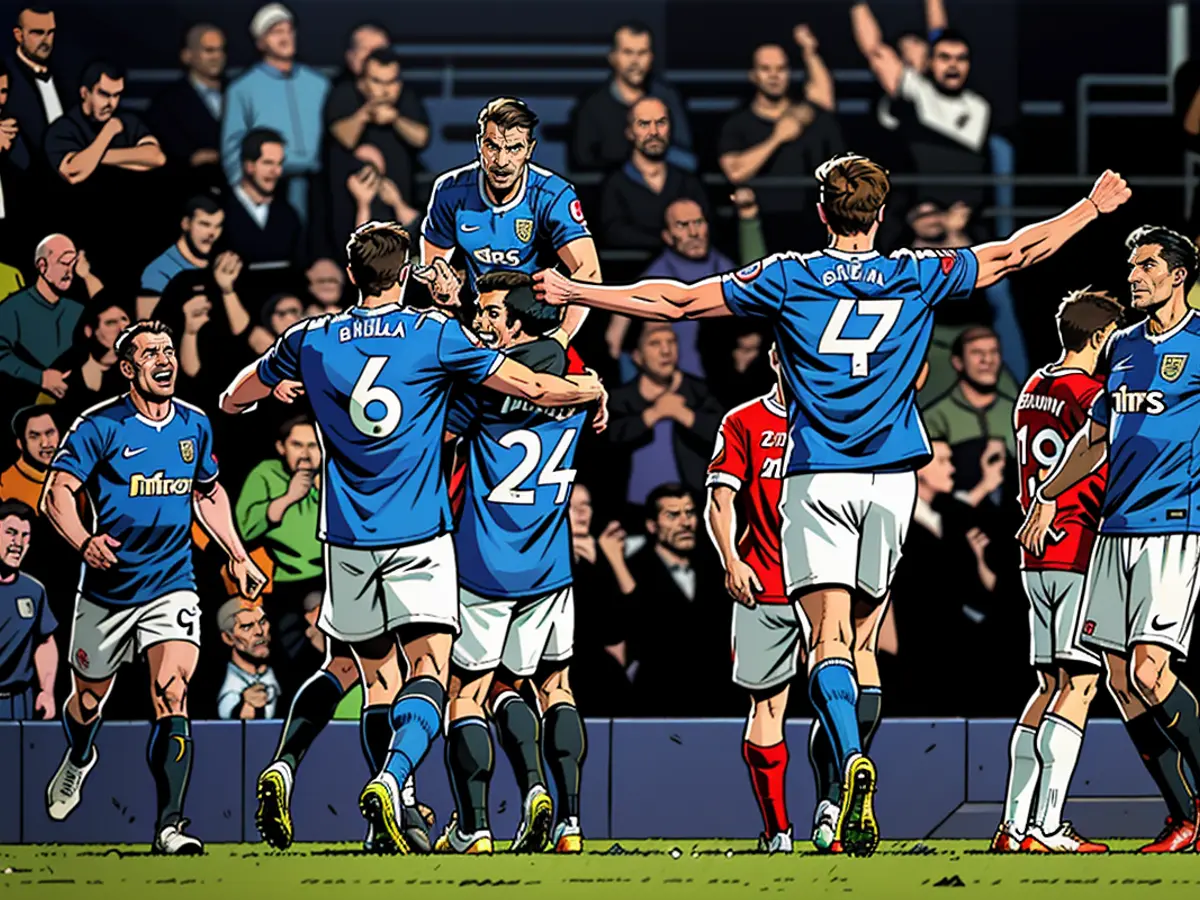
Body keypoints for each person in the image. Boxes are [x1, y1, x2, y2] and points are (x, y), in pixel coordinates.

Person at [533, 153, 1132, 856]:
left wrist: (579, 290)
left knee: (829, 642)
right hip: (894, 481)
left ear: (822, 213)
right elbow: (1018, 254)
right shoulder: (917, 272)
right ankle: (846, 770)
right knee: (867, 638)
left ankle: (849, 763)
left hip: (819, 476)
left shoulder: (790, 275)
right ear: (881, 213)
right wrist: (1091, 208)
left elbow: (678, 301)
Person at [220, 221, 604, 855]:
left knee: (364, 674)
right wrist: (587, 389)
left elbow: (233, 398)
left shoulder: (309, 339)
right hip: (421, 533)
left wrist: (277, 390)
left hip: (343, 535)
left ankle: (288, 767)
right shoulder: (435, 335)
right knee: (430, 669)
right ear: (404, 274)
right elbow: (532, 384)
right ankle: (394, 782)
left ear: (351, 274)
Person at [40, 320, 265, 855]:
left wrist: (237, 553)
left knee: (171, 691)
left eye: (168, 350)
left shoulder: (194, 424)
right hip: (107, 589)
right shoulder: (99, 425)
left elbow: (208, 494)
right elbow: (58, 493)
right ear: (128, 368)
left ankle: (170, 826)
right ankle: (79, 755)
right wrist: (83, 542)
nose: (164, 360)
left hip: (172, 581)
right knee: (88, 699)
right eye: (150, 354)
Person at [1019, 226, 1200, 854]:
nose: (1136, 276)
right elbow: (1095, 439)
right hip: (1112, 530)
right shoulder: (1121, 345)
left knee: (1152, 674)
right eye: (1133, 266)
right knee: (1121, 682)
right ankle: (1183, 816)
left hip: (1173, 524)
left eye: (1148, 266)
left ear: (1179, 276)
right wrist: (1047, 494)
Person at [439, 272, 600, 856]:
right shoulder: (578, 378)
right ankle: (569, 821)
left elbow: (439, 434)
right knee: (553, 686)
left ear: (519, 322)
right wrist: (597, 392)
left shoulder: (484, 384)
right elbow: (583, 389)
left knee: (467, 693)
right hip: (551, 562)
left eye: (490, 314)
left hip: (485, 560)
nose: (481, 322)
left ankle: (475, 827)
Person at [995, 290, 1123, 854]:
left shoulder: (1032, 389)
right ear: (1099, 338)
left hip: (1035, 553)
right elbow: (1100, 459)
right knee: (1081, 682)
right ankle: (1045, 827)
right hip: (1077, 547)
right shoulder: (1092, 395)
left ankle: (1012, 824)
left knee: (1047, 685)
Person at [705, 346, 797, 853]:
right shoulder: (744, 421)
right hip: (764, 584)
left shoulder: (836, 417)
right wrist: (732, 562)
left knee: (836, 701)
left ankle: (829, 813)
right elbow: (720, 500)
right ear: (774, 360)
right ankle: (779, 830)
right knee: (768, 706)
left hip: (824, 583)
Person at [418, 97, 600, 345]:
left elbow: (588, 270)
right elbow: (435, 269)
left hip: (539, 326)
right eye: (493, 147)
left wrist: (559, 339)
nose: (501, 162)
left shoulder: (553, 195)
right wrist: (449, 303)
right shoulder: (450, 191)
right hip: (477, 322)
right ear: (479, 145)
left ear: (529, 149)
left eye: (514, 148)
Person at [718, 27, 842, 250]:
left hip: (811, 230)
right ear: (753, 75)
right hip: (762, 228)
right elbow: (735, 171)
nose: (774, 75)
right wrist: (777, 137)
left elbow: (824, 99)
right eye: (766, 69)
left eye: (781, 69)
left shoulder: (805, 115)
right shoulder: (737, 123)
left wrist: (809, 51)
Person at [221, 2, 329, 225]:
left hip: (318, 186)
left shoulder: (319, 84)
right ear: (260, 42)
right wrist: (244, 202)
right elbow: (233, 146)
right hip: (268, 186)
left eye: (289, 30)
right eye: (275, 32)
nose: (285, 37)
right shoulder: (242, 88)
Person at [570, 21, 694, 173]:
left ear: (652, 57)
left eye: (642, 53)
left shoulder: (668, 98)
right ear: (613, 56)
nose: (635, 61)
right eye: (628, 52)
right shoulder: (591, 106)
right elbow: (582, 164)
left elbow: (688, 158)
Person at [598, 97, 709, 254]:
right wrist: (667, 239)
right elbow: (613, 233)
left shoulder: (688, 182)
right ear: (629, 132)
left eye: (661, 123)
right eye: (644, 124)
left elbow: (710, 228)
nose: (654, 132)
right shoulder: (614, 184)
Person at [146, 23, 226, 184]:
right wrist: (191, 158)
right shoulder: (166, 103)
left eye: (221, 49)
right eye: (209, 50)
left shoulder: (238, 93)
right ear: (187, 55)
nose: (217, 56)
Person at [0, 499, 57, 720]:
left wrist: (47, 691)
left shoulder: (34, 590)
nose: (18, 542)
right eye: (11, 532)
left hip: (19, 703)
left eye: (25, 536)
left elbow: (45, 642)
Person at [138, 193, 225, 320]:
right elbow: (146, 331)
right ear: (185, 224)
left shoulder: (219, 265)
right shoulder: (158, 271)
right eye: (204, 224)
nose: (212, 233)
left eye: (218, 226)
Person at [222, 128, 301, 266]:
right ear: (249, 165)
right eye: (268, 163)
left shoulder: (288, 215)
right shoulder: (220, 211)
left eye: (280, 163)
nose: (277, 171)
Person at [216, 599, 280, 720]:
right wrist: (242, 707)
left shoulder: (289, 675)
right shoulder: (212, 683)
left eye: (263, 622)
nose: (259, 632)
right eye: (246, 627)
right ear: (228, 638)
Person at [0, 407, 58, 511]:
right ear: (20, 444)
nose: (45, 443)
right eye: (34, 436)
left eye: (50, 433)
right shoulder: (3, 487)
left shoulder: (70, 478)